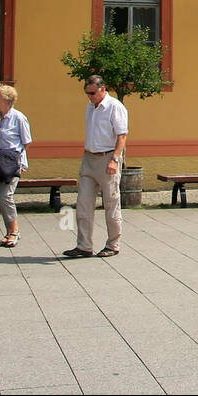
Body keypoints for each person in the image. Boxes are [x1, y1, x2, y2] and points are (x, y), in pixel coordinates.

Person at [64, 75, 126, 259]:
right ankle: (84, 246)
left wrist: (115, 159)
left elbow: (122, 136)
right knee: (83, 203)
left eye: (92, 93)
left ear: (102, 89)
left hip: (107, 158)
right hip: (89, 158)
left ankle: (113, 245)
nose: (89, 97)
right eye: (87, 93)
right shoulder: (90, 107)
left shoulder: (115, 107)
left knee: (111, 204)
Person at [0, 84, 32, 248]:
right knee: (2, 197)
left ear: (7, 100)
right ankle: (8, 233)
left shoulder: (19, 117)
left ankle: (14, 231)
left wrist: (19, 162)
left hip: (12, 163)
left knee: (6, 195)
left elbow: (27, 142)